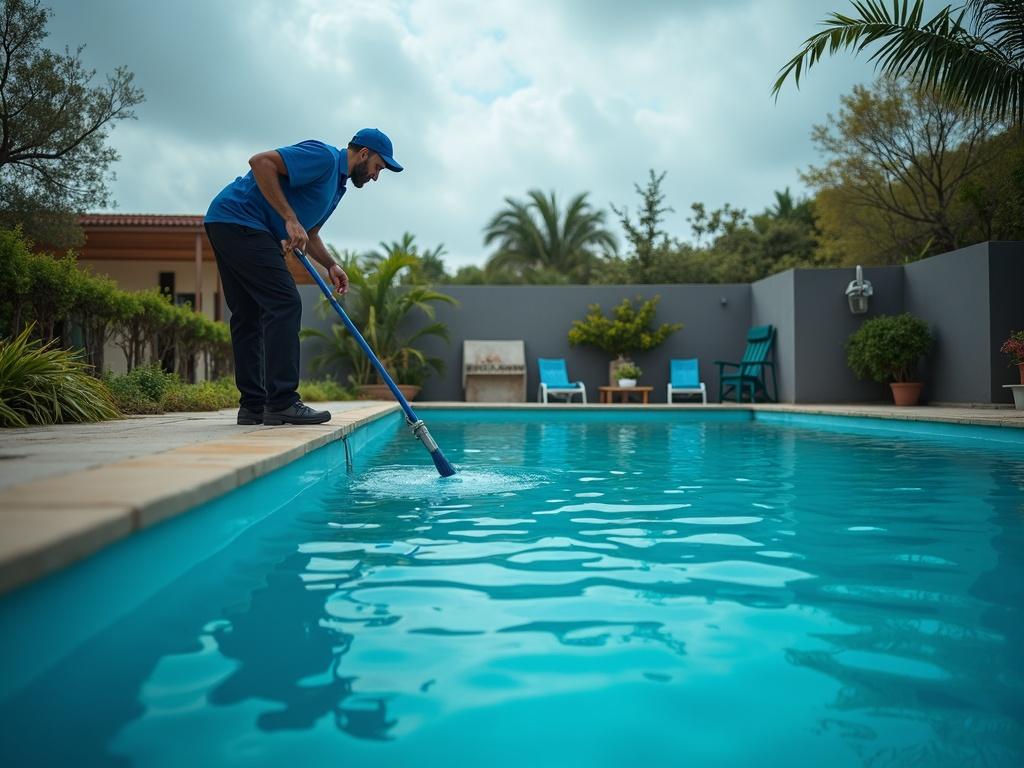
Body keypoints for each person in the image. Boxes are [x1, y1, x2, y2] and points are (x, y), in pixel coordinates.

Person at [204, 128, 403, 425]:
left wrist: (331, 265)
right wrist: (289, 218)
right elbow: (260, 162)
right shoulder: (323, 157)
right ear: (363, 154)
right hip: (242, 220)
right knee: (284, 303)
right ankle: (282, 401)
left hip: (227, 222)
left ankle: (253, 407)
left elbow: (310, 234)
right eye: (377, 167)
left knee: (248, 315)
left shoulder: (337, 188)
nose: (376, 176)